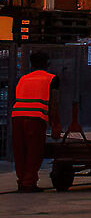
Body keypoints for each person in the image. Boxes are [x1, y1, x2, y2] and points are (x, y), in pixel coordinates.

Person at [10, 49, 55, 193]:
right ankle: (29, 183)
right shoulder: (51, 78)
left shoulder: (23, 78)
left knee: (20, 151)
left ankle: (22, 180)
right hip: (36, 118)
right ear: (47, 63)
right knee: (33, 152)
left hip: (17, 117)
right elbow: (54, 104)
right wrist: (56, 124)